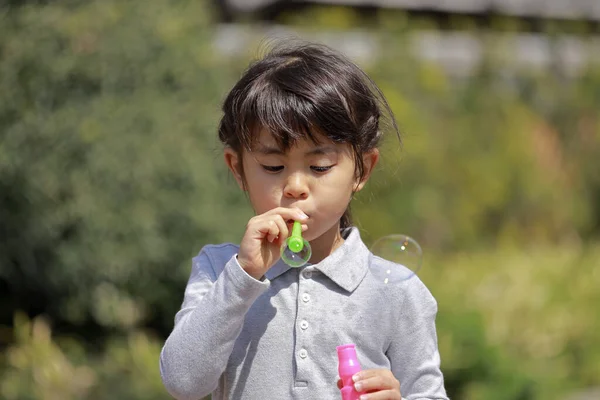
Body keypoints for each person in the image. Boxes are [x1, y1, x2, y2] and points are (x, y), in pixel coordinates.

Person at [160, 39, 448, 400]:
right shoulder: (219, 271)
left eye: (320, 166)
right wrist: (243, 278)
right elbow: (182, 383)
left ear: (363, 169)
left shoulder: (396, 292)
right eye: (273, 166)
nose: (295, 186)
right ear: (238, 169)